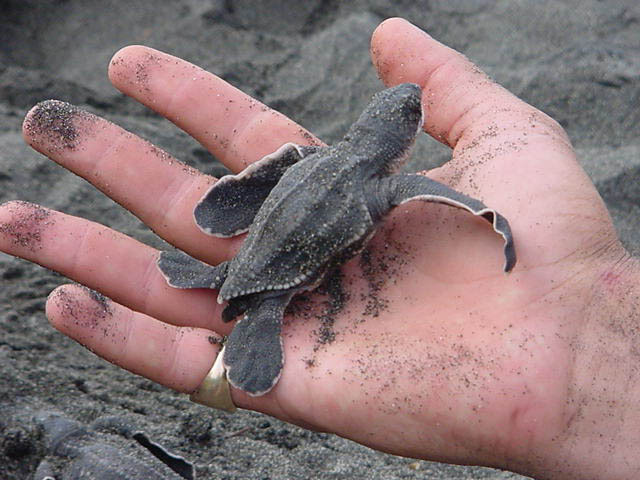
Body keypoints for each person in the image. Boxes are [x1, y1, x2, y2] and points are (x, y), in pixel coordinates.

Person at [1, 17, 639, 480]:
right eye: (408, 116)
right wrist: (492, 221)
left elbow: (234, 200)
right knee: (267, 299)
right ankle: (251, 302)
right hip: (286, 283)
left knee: (253, 252)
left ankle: (223, 278)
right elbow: (433, 194)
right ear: (399, 142)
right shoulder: (388, 187)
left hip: (252, 257)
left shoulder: (312, 160)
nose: (413, 113)